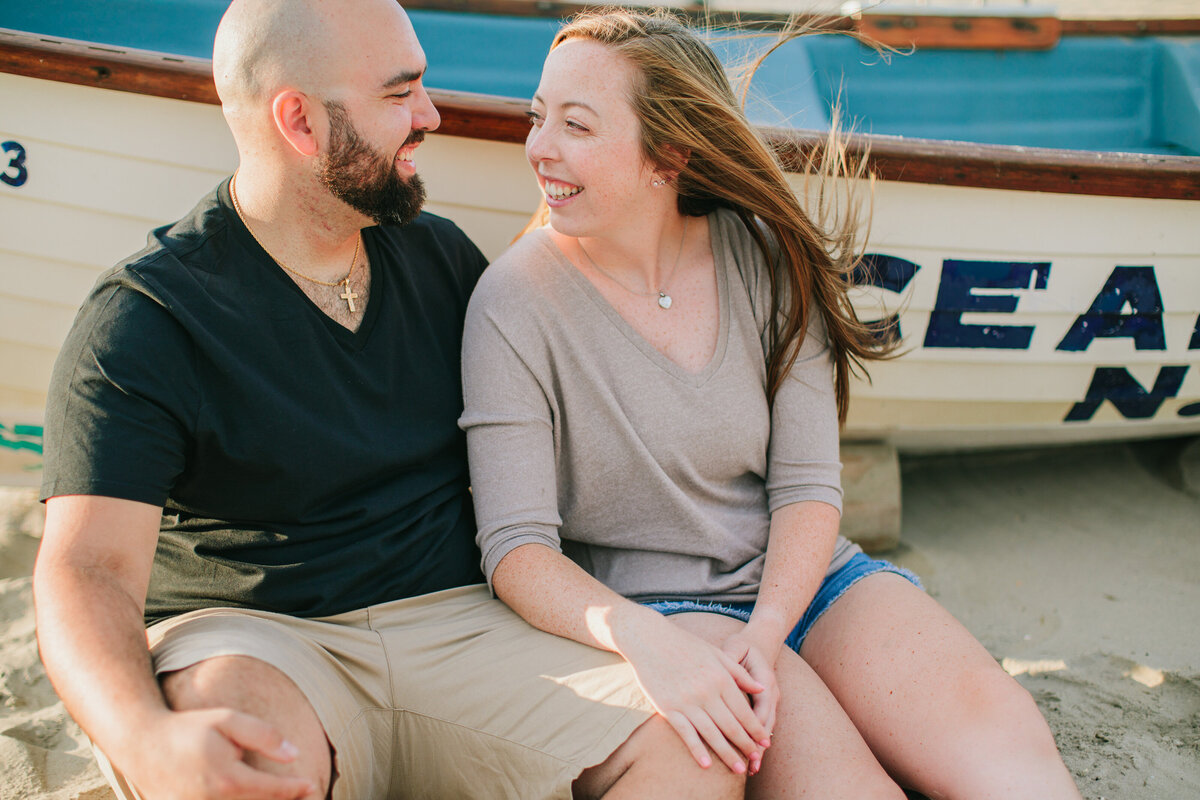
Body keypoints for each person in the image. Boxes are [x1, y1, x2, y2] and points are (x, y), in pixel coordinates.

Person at [32, 2, 749, 799]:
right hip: (261, 637)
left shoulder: (441, 261)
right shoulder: (147, 318)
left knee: (697, 745)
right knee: (244, 768)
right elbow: (86, 569)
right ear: (299, 121)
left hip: (464, 623)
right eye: (399, 93)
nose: (431, 115)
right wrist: (144, 736)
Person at [460, 9, 1084, 799]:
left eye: (576, 125)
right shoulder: (511, 303)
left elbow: (807, 486)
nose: (538, 147)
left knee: (1009, 749)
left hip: (810, 579)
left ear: (670, 155)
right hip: (661, 607)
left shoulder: (764, 255)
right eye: (537, 116)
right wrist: (649, 642)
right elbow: (517, 552)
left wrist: (770, 627)